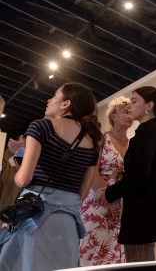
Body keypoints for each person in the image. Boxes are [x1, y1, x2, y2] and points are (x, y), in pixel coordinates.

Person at [0, 83, 101, 271]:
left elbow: (23, 179)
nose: (48, 100)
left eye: (54, 95)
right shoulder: (92, 142)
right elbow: (82, 193)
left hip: (36, 217)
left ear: (66, 104)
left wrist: (16, 169)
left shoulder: (41, 126)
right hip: (68, 223)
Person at [98, 86, 156, 263]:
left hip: (141, 215)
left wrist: (109, 193)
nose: (129, 106)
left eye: (134, 101)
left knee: (139, 262)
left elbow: (139, 176)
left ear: (149, 105)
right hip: (147, 214)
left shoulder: (147, 132)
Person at [79, 96, 132, 265]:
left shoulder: (133, 144)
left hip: (122, 207)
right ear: (113, 116)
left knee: (116, 255)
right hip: (98, 201)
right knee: (93, 252)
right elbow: (92, 172)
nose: (130, 115)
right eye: (125, 112)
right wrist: (111, 199)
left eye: (131, 111)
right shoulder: (101, 139)